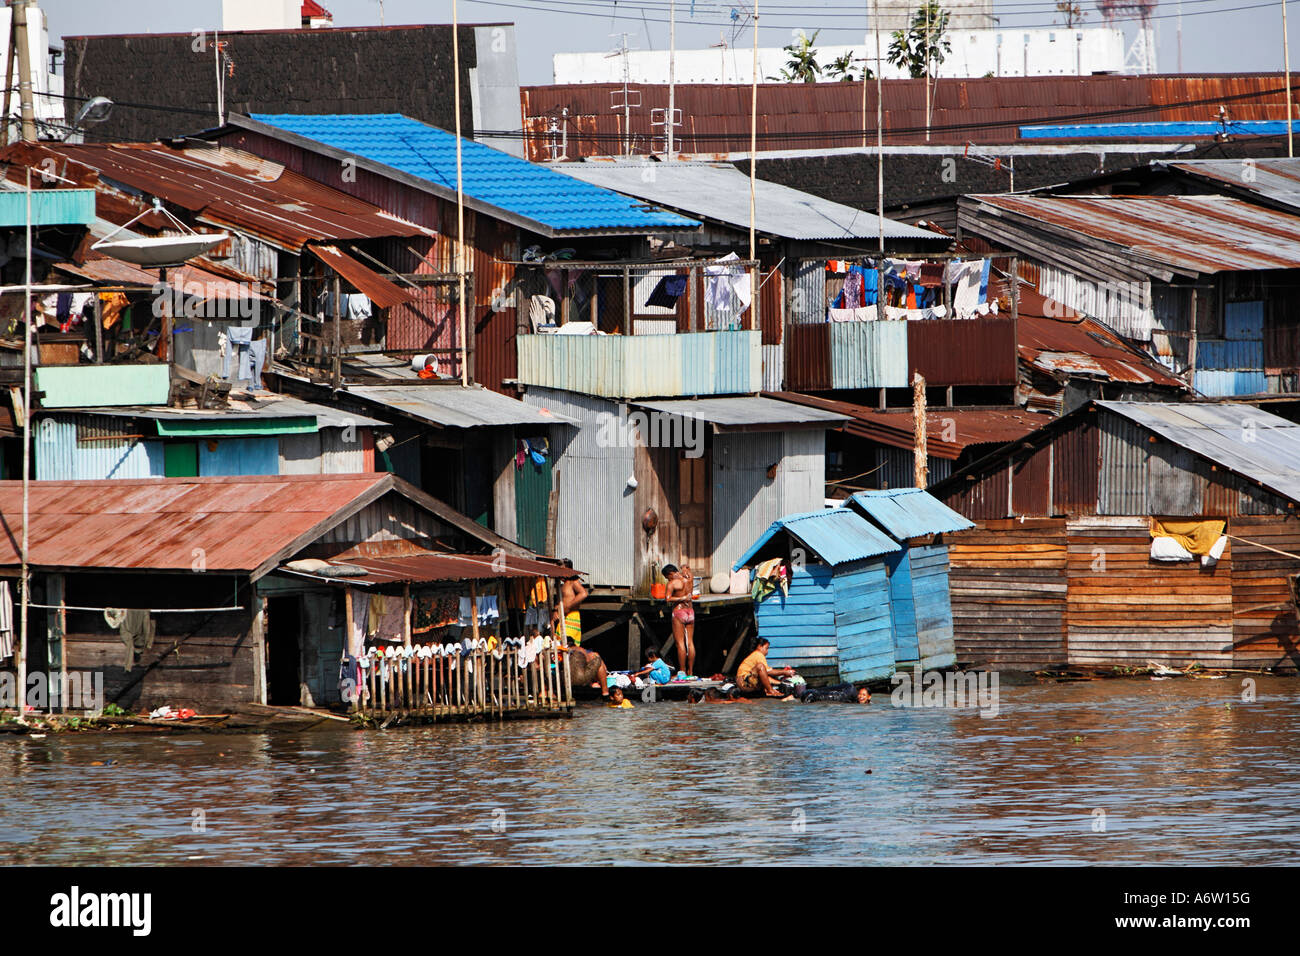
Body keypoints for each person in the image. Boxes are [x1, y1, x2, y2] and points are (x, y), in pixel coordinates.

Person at [662, 562, 696, 679]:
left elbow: (667, 599)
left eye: (667, 577)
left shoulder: (672, 583)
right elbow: (688, 570)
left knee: (680, 643)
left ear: (670, 574)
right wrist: (686, 568)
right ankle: (691, 671)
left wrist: (681, 598)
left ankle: (682, 671)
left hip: (679, 612)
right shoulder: (690, 578)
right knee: (690, 643)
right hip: (690, 612)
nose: (667, 579)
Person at [553, 559, 589, 646]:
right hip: (563, 617)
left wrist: (569, 606)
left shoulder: (573, 581)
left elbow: (583, 593)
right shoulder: (563, 584)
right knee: (559, 643)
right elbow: (560, 601)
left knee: (567, 644)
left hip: (572, 616)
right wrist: (555, 610)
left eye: (562, 569)